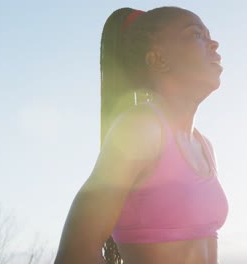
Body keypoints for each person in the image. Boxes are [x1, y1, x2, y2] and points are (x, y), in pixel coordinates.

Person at [54, 6, 228, 264]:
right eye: (196, 35)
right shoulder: (140, 128)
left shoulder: (204, 147)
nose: (213, 43)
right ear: (157, 59)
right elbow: (75, 254)